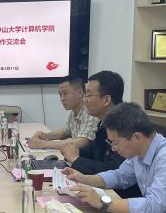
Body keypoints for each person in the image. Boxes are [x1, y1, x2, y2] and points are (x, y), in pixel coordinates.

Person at [59, 71, 140, 199]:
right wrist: (75, 152)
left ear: (106, 99)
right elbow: (94, 150)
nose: (84, 100)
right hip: (105, 190)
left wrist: (76, 159)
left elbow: (113, 169)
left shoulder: (125, 126)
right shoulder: (103, 123)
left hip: (120, 196)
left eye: (88, 95)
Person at [27, 76, 99, 151]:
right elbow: (65, 132)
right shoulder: (73, 112)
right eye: (60, 94)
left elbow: (81, 142)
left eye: (65, 93)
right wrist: (45, 135)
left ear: (80, 93)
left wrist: (42, 144)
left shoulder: (91, 112)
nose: (62, 98)